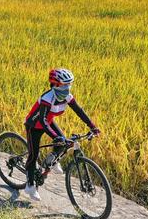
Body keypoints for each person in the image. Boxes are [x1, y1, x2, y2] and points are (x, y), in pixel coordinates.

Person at [23, 68, 100, 202]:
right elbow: (42, 120)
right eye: (65, 84)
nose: (68, 87)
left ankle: (51, 161)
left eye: (69, 84)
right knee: (33, 155)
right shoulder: (48, 98)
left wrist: (92, 126)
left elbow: (79, 111)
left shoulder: (67, 97)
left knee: (63, 143)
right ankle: (30, 185)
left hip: (48, 121)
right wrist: (55, 136)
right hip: (34, 126)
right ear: (55, 84)